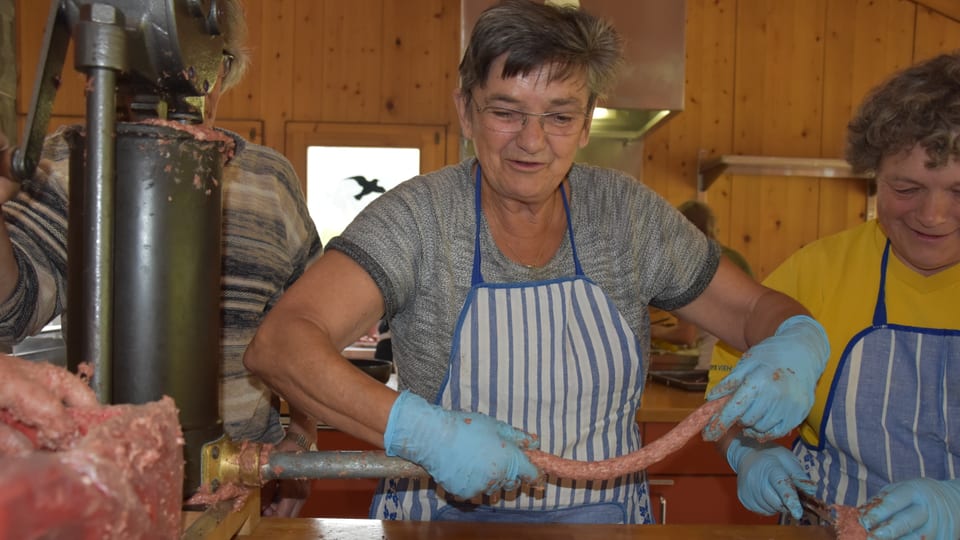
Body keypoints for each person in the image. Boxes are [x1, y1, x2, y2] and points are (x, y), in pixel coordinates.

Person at [243, 0, 829, 524]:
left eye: (559, 115)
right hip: (437, 522)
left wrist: (797, 342)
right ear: (466, 112)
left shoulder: (627, 218)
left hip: (604, 522)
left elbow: (755, 310)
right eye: (506, 111)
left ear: (586, 121)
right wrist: (427, 435)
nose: (531, 141)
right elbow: (281, 346)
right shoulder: (420, 220)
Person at [0, 0, 322, 518]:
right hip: (108, 484)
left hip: (241, 483)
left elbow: (306, 329)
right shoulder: (65, 162)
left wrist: (300, 437)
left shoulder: (271, 181)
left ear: (223, 69)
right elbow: (12, 309)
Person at [707, 51, 960, 539]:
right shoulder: (817, 270)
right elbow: (723, 392)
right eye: (906, 188)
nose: (933, 216)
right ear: (873, 175)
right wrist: (747, 451)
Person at [650, 200, 753, 369]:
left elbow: (686, 335)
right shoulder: (735, 260)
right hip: (748, 364)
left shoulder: (694, 265)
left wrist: (651, 331)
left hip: (715, 364)